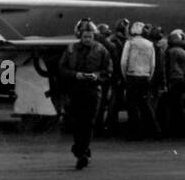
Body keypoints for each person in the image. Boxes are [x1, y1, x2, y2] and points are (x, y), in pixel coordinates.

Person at [59, 20, 112, 169]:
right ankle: (82, 150)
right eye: (85, 36)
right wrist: (75, 75)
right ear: (79, 36)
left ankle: (81, 153)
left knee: (88, 123)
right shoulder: (70, 49)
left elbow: (108, 71)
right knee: (76, 123)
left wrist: (97, 77)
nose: (87, 39)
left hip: (93, 91)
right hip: (75, 90)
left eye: (90, 36)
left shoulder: (101, 50)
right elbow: (62, 68)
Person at [120, 22, 160, 141]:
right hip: (145, 77)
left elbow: (123, 62)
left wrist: (125, 76)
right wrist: (149, 76)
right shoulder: (149, 44)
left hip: (132, 76)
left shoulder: (129, 43)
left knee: (131, 105)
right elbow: (153, 64)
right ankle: (154, 131)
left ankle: (134, 132)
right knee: (145, 105)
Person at [163, 29, 185, 137]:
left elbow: (167, 68)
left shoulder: (169, 52)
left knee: (170, 106)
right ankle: (182, 128)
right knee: (179, 105)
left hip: (172, 80)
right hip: (181, 80)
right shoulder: (184, 53)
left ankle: (172, 129)